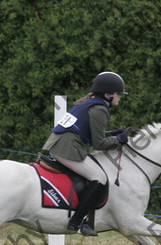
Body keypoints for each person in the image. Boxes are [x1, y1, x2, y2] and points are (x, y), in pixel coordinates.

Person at [42, 71, 129, 236]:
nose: (120, 97)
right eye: (118, 94)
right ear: (108, 94)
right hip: (67, 148)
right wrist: (120, 140)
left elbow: (92, 134)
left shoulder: (91, 103)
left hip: (61, 144)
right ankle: (77, 222)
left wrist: (114, 134)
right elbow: (99, 143)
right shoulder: (100, 109)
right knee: (100, 179)